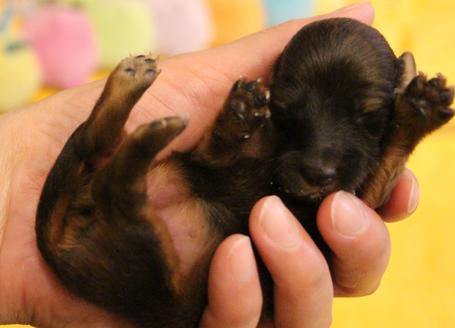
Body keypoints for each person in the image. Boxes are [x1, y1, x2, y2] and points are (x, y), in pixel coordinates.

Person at [0, 3, 420, 327]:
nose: (320, 156)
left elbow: (216, 168)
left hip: (145, 234)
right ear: (277, 85)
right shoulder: (265, 136)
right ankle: (122, 166)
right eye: (292, 112)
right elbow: (211, 167)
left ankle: (117, 152)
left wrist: (405, 133)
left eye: (367, 119)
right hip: (167, 224)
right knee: (176, 199)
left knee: (165, 212)